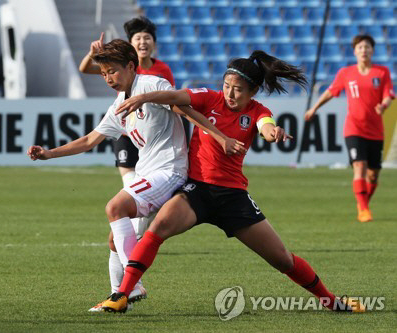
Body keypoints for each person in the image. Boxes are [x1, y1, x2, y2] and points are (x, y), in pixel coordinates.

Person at [100, 50, 365, 313]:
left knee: (282, 259)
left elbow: (266, 127)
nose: (229, 93)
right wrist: (142, 97)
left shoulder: (259, 111)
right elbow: (174, 96)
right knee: (157, 230)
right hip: (196, 191)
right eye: (226, 86)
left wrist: (274, 133)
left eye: (237, 89)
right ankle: (123, 294)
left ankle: (330, 301)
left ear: (253, 91)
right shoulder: (209, 98)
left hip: (232, 198)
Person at [28, 39, 242, 312]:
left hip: (170, 171)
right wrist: (48, 154)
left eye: (112, 72)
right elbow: (90, 140)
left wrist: (220, 137)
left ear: (131, 66)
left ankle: (132, 285)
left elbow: (185, 110)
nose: (108, 78)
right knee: (114, 239)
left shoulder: (152, 85)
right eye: (104, 74)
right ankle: (118, 297)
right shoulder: (120, 104)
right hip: (149, 173)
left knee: (115, 207)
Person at [78, 17, 180, 310]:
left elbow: (175, 104)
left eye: (147, 38)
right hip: (131, 134)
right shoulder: (119, 81)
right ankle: (120, 294)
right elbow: (88, 68)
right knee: (121, 219)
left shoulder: (157, 75)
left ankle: (129, 286)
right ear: (132, 45)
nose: (143, 42)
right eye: (138, 38)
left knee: (123, 213)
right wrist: (95, 53)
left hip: (158, 144)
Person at [305, 35, 394, 223]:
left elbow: (388, 94)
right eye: (361, 47)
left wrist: (383, 106)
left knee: (373, 174)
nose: (364, 50)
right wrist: (314, 107)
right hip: (354, 128)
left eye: (367, 47)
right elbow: (331, 91)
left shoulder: (382, 72)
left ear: (372, 50)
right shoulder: (346, 73)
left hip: (376, 130)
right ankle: (363, 209)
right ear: (355, 51)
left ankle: (363, 203)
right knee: (359, 166)